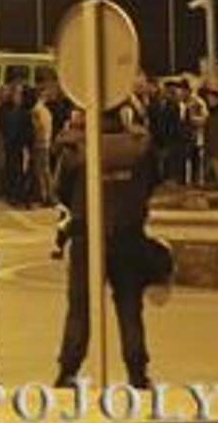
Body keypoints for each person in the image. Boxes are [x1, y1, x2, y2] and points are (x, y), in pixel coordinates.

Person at [53, 101, 159, 391]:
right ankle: (138, 372)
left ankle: (68, 371)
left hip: (87, 236)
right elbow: (153, 181)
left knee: (79, 307)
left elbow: (60, 190)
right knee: (129, 307)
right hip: (128, 235)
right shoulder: (139, 145)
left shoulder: (77, 149)